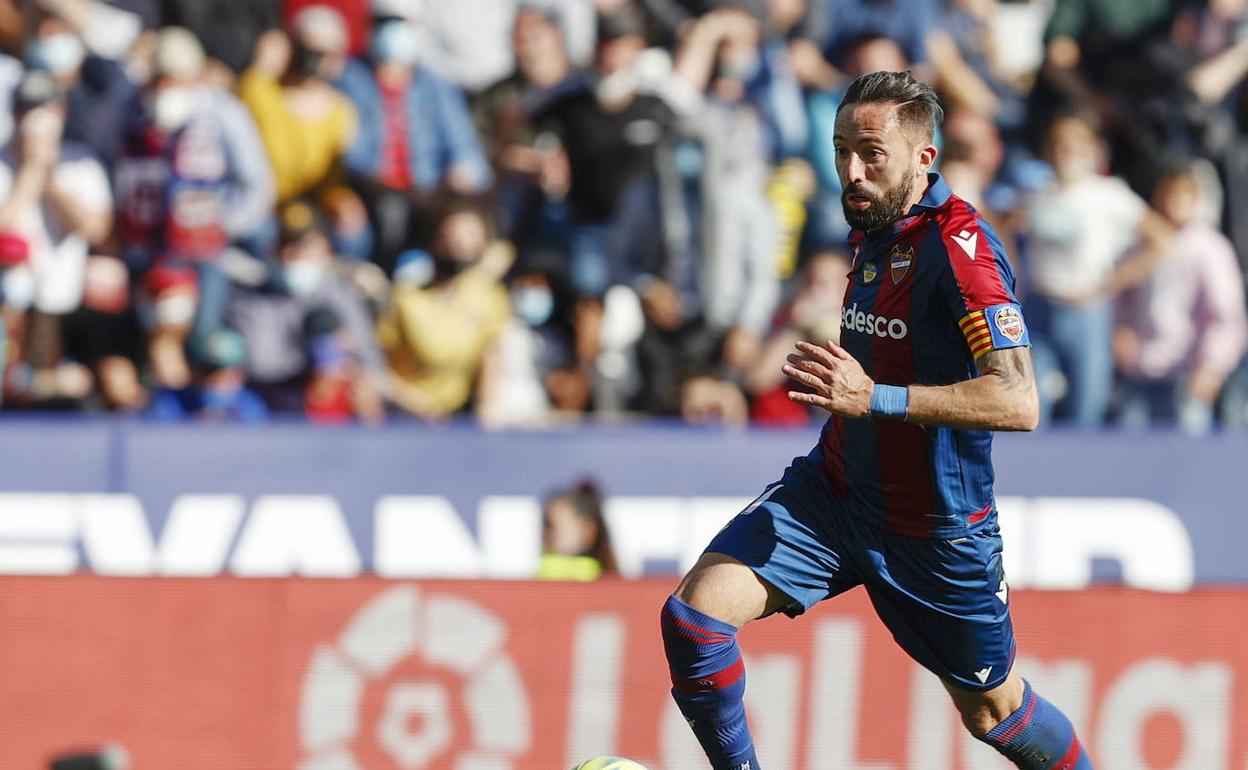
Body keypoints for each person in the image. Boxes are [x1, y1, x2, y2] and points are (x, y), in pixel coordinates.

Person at [660, 71, 1093, 770]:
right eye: (840, 152)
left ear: (925, 157)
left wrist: (876, 398)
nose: (852, 172)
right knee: (694, 621)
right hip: (835, 492)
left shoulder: (962, 251)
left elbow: (1018, 400)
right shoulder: (874, 225)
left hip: (936, 531)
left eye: (871, 153)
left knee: (993, 711)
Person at [536, 479, 618, 581]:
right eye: (547, 525)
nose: (549, 533)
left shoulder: (594, 574)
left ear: (587, 531)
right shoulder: (543, 570)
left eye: (557, 526)